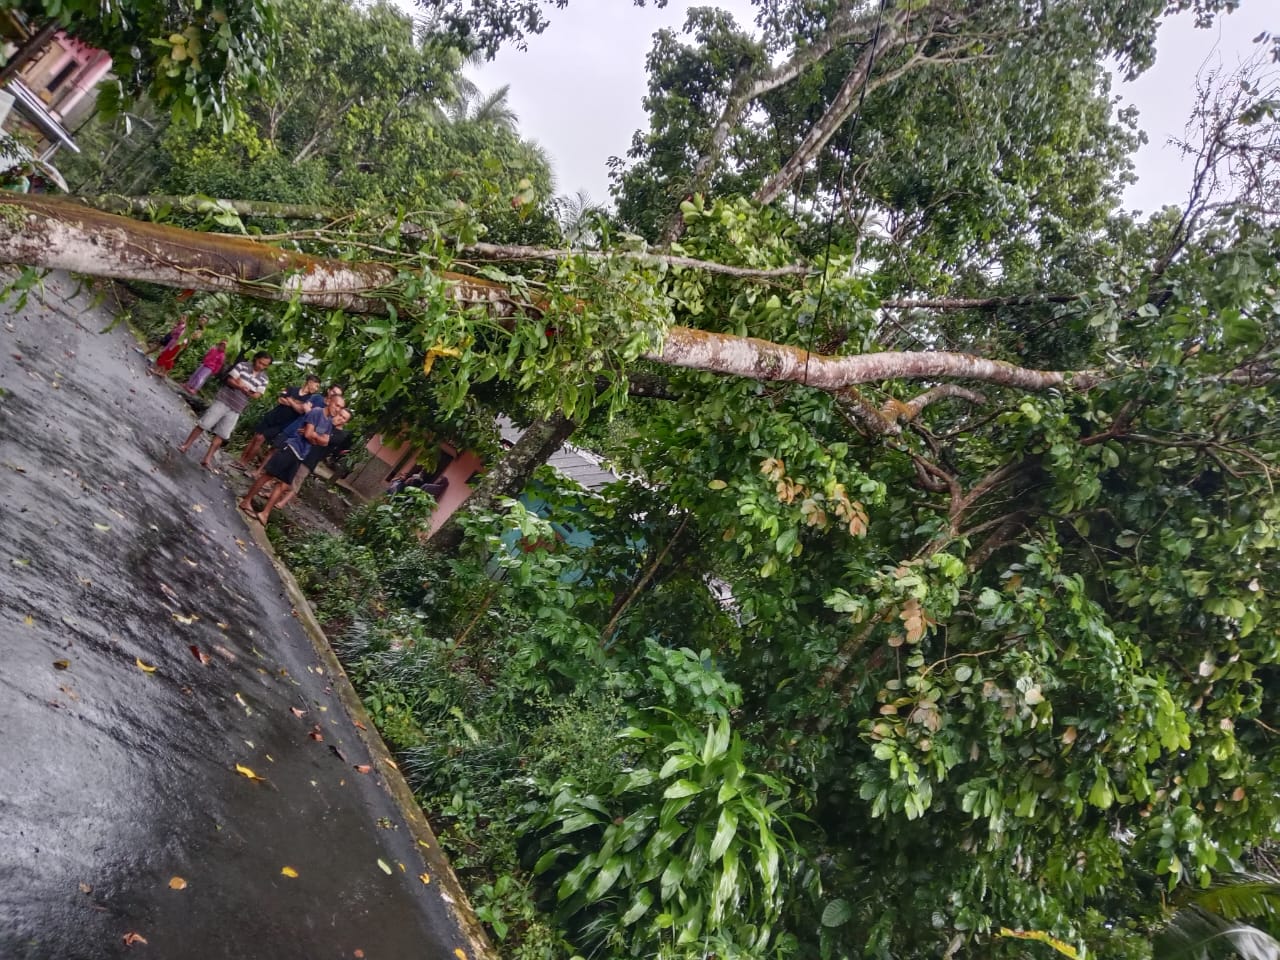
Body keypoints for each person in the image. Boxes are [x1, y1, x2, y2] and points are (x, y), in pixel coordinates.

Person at [239, 391, 344, 525]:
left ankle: (265, 513)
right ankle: (246, 500)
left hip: (301, 454)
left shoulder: (329, 423)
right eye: (337, 405)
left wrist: (315, 436)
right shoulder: (317, 412)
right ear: (329, 402)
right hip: (291, 448)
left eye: (341, 408)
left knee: (283, 485)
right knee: (268, 476)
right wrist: (316, 437)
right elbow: (307, 435)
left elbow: (324, 441)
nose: (338, 409)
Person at [177, 351, 272, 472]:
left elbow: (257, 395)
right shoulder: (243, 366)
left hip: (237, 407)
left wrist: (245, 388)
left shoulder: (264, 378)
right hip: (224, 399)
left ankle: (207, 458)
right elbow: (230, 380)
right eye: (260, 362)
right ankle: (186, 445)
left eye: (264, 365)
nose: (261, 366)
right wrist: (240, 386)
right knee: (204, 424)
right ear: (255, 359)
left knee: (222, 434)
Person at [233, 374, 325, 470]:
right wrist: (295, 403)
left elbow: (300, 410)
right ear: (310, 382)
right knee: (255, 437)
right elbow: (281, 400)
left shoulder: (309, 399)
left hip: (284, 424)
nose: (316, 389)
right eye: (316, 385)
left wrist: (290, 400)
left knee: (260, 439)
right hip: (273, 416)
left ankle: (244, 462)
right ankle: (240, 460)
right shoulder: (292, 388)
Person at [274, 408, 353, 510]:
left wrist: (312, 433)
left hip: (312, 459)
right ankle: (274, 496)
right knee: (286, 475)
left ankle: (282, 503)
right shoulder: (327, 423)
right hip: (302, 451)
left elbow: (321, 439)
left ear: (346, 422)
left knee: (297, 480)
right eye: (340, 415)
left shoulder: (341, 435)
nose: (340, 418)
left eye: (344, 418)